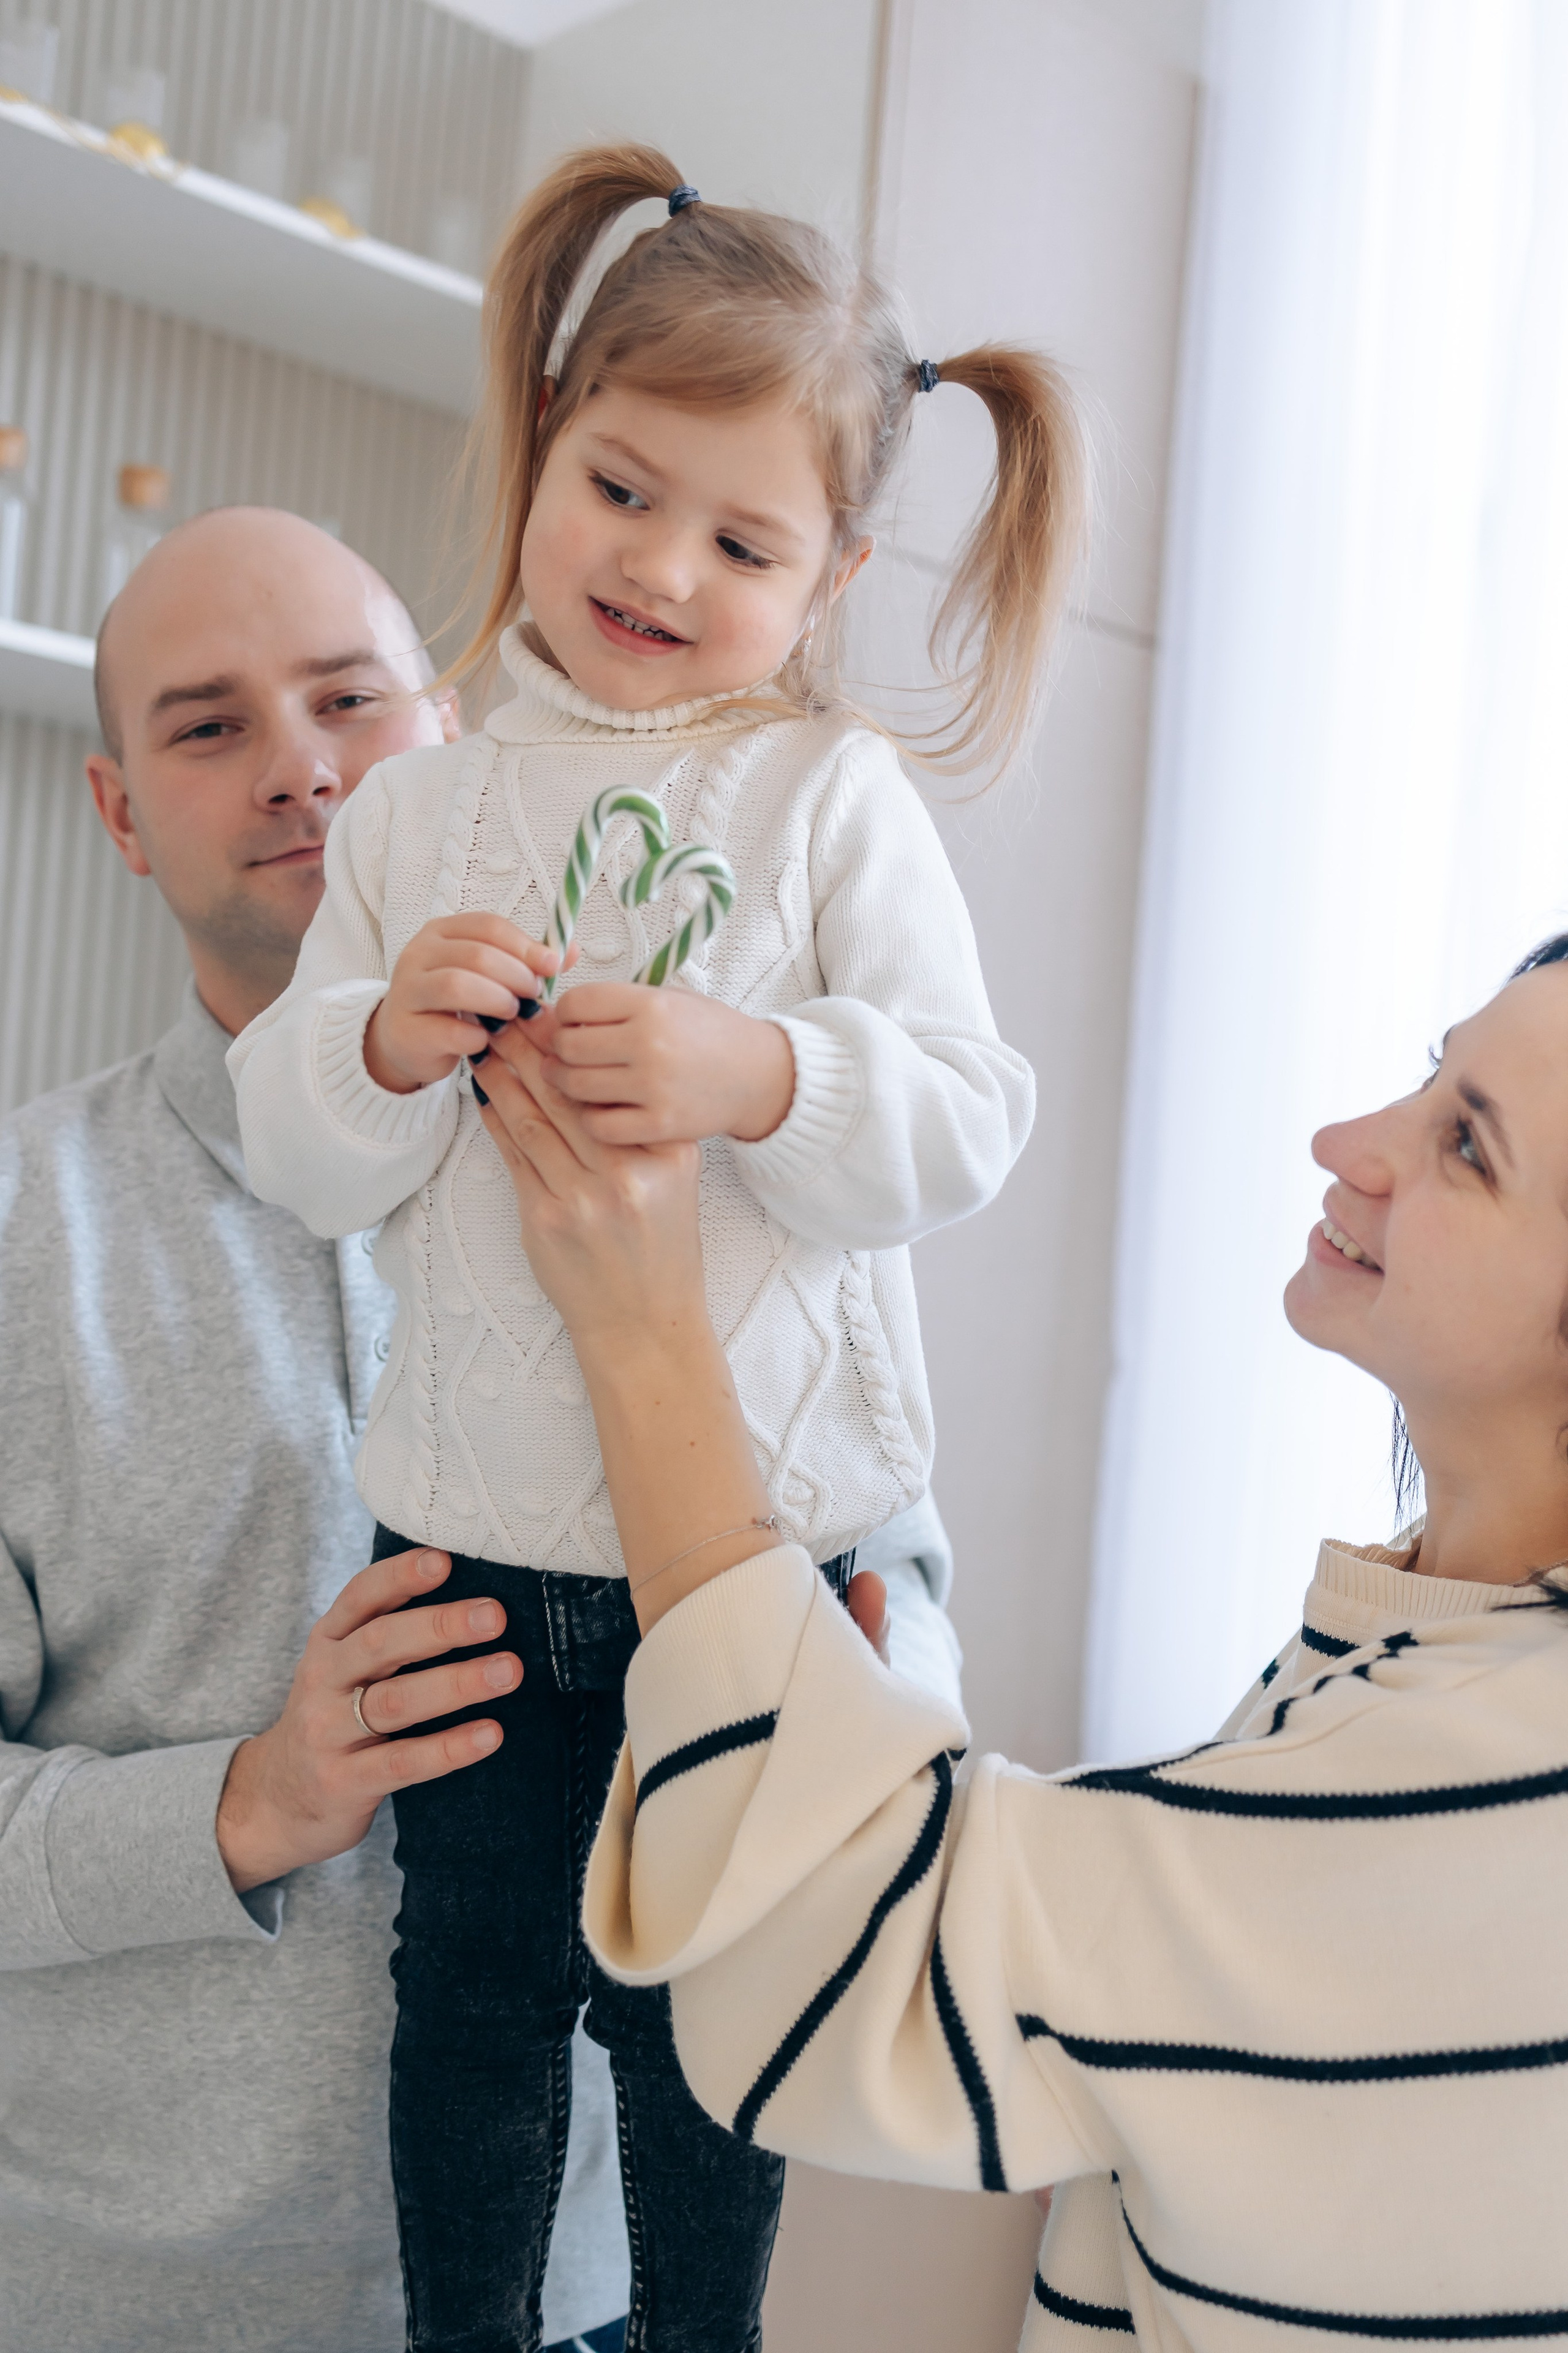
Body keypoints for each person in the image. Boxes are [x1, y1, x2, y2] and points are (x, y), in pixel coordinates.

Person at [226, 143, 1069, 2352]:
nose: (664, 565)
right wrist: (384, 1044)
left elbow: (973, 1113)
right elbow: (295, 1151)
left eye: (744, 539)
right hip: (468, 1569)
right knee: (474, 2021)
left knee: (716, 2051)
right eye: (621, 487)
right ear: (543, 448)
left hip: (749, 1569)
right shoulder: (411, 808)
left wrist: (759, 1069)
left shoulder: (830, 803)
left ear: (832, 576)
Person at [454, 939, 1568, 2346]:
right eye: (1427, 1078)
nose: (1345, 1143)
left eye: (1465, 1146)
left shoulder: (1468, 1777)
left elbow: (829, 1960)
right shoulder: (1420, 1656)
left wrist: (643, 1332)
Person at [0, 505, 631, 2353]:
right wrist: (249, 1800)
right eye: (208, 729)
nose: (304, 769)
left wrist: (850, 1679)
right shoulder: (17, 1234)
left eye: (351, 697)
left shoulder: (673, 1150)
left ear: (444, 730)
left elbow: (902, 1590)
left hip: (584, 2287)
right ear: (122, 814)